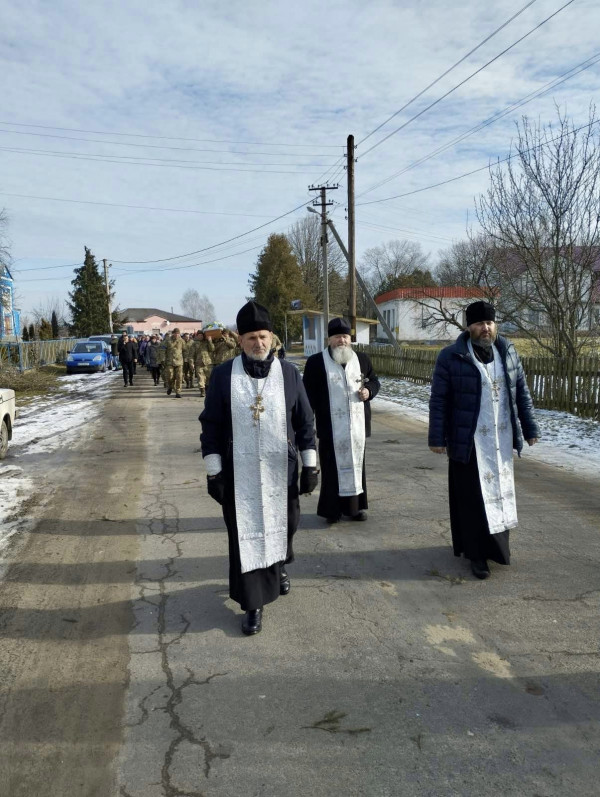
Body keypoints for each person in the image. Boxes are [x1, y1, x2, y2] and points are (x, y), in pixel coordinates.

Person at [199, 300, 318, 635]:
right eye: (251, 337)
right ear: (240, 340)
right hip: (240, 477)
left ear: (272, 338)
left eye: (263, 336)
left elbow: (306, 422)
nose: (258, 343)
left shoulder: (290, 374)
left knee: (286, 525)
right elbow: (210, 426)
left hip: (282, 472)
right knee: (246, 538)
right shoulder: (224, 376)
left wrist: (310, 465)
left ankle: (278, 564)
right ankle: (252, 604)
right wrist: (214, 471)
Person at [428, 300, 540, 579]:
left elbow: (521, 392)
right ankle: (476, 555)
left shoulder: (508, 351)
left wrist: (530, 428)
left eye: (489, 323)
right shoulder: (451, 356)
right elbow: (439, 400)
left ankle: (497, 550)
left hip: (500, 438)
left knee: (500, 494)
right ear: (469, 326)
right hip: (469, 439)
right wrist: (436, 436)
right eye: (479, 323)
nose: (485, 328)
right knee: (472, 499)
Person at [303, 318, 380, 524]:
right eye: (337, 336)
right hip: (330, 428)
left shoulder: (362, 359)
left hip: (357, 427)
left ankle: (354, 509)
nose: (342, 341)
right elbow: (307, 396)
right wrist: (306, 422)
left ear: (350, 338)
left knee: (356, 467)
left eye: (345, 336)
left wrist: (369, 391)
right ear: (329, 339)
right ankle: (332, 511)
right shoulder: (316, 362)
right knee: (331, 471)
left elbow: (374, 381)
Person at [192, 331, 214, 397]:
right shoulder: (194, 344)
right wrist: (191, 363)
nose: (200, 336)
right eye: (199, 335)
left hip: (208, 363)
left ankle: (207, 390)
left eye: (201, 335)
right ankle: (202, 391)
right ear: (197, 336)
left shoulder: (207, 342)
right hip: (199, 363)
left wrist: (210, 341)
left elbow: (212, 349)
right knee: (200, 378)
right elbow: (191, 354)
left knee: (208, 378)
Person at [165, 328, 185, 397]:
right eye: (175, 333)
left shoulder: (182, 341)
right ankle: (170, 387)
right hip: (170, 362)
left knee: (179, 377)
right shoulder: (167, 341)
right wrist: (162, 360)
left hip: (179, 362)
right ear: (173, 333)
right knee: (170, 377)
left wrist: (186, 360)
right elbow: (162, 350)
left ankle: (178, 392)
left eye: (178, 333)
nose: (177, 335)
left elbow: (185, 351)